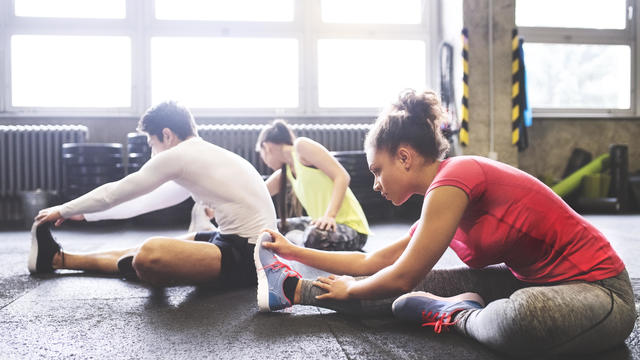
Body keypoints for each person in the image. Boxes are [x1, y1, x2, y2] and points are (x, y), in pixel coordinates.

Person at [254, 89, 637, 357]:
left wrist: (355, 291)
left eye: (377, 171)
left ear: (404, 157)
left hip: (600, 291)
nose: (374, 183)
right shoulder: (441, 201)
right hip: (528, 279)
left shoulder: (459, 175)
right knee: (383, 286)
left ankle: (455, 315)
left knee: (522, 319)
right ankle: (289, 289)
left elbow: (399, 277)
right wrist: (290, 250)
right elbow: (371, 264)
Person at [30, 101, 277, 288]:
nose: (151, 154)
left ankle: (153, 268)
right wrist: (86, 215)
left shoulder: (180, 155)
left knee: (150, 252)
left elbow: (114, 192)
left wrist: (62, 209)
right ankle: (58, 259)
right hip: (232, 242)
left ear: (167, 135)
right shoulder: (198, 158)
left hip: (251, 257)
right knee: (141, 249)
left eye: (151, 144)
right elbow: (141, 203)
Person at [255, 119, 370, 251]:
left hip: (350, 229)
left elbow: (342, 176)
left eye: (261, 153)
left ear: (267, 147)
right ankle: (298, 240)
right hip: (320, 225)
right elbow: (258, 193)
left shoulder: (301, 147)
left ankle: (297, 241)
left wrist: (329, 216)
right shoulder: (286, 171)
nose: (264, 161)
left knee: (314, 237)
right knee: (271, 229)